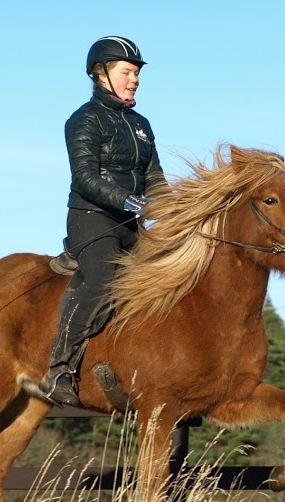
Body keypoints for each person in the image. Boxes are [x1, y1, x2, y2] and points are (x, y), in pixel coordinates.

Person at [39, 36, 166, 408]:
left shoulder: (142, 124)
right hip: (92, 218)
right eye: (127, 72)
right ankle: (59, 367)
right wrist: (131, 201)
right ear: (101, 73)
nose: (135, 79)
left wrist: (172, 206)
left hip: (132, 223)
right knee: (102, 279)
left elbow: (155, 176)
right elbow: (85, 178)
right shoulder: (83, 120)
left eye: (137, 73)